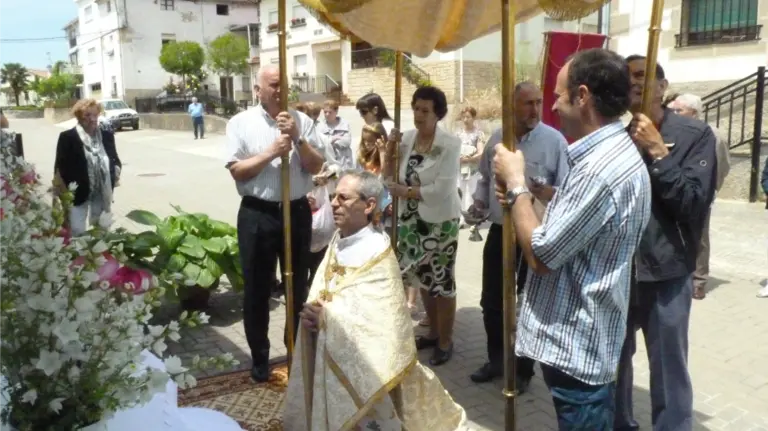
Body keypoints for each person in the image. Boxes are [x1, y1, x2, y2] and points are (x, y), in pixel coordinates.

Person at [492, 48, 652, 429]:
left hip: (579, 348)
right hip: (582, 342)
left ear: (583, 97)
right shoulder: (608, 154)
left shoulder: (600, 169)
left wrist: (516, 186)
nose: (553, 106)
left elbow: (542, 254)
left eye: (558, 96)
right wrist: (525, 199)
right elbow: (566, 232)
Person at [283, 170, 468, 431]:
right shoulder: (339, 239)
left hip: (366, 373)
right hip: (330, 351)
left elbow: (383, 323)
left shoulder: (377, 252)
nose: (334, 203)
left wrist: (328, 319)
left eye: (343, 198)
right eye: (334, 196)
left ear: (369, 205)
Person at [614, 55, 718, 431]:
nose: (636, 85)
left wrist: (660, 152)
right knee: (615, 364)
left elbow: (693, 203)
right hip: (621, 274)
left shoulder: (695, 136)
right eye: (628, 80)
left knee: (669, 369)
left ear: (662, 85)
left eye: (643, 76)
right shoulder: (616, 138)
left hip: (668, 272)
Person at [224, 64, 325, 383]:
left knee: (297, 284)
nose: (280, 90)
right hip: (257, 213)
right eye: (273, 84)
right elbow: (237, 171)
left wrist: (298, 140)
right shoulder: (240, 123)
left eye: (285, 84)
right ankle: (259, 357)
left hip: (295, 211)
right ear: (258, 90)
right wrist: (271, 152)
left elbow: (317, 165)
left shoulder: (303, 121)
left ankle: (294, 350)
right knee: (257, 288)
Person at [469, 81, 569, 392]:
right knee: (492, 301)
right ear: (511, 105)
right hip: (500, 231)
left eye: (539, 102)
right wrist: (479, 202)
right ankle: (497, 361)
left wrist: (545, 192)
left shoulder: (555, 141)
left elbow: (566, 192)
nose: (535, 110)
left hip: (534, 233)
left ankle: (524, 369)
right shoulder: (498, 140)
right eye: (527, 103)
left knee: (528, 304)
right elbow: (485, 178)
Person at [382, 86, 462, 366]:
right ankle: (434, 331)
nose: (418, 115)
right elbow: (387, 177)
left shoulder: (450, 144)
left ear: (438, 114)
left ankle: (446, 339)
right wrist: (391, 147)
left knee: (442, 280)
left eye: (425, 111)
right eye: (416, 108)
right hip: (411, 221)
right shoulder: (407, 139)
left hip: (440, 223)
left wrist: (406, 193)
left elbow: (442, 189)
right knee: (423, 278)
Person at [668, 93, 731, 299]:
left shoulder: (712, 134)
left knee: (700, 237)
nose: (674, 114)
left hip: (700, 194)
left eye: (679, 110)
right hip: (675, 191)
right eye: (673, 110)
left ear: (693, 113)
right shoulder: (672, 130)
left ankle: (699, 281)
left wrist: (710, 191)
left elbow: (722, 165)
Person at [54, 98, 122, 236]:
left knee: (101, 230)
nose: (92, 119)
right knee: (76, 230)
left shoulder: (107, 136)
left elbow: (115, 159)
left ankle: (98, 256)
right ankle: (78, 256)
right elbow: (59, 168)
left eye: (95, 115)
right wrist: (63, 195)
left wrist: (115, 172)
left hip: (102, 192)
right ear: (79, 117)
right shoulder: (68, 137)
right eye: (87, 115)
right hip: (77, 193)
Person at [456, 106, 485, 228]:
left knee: (472, 192)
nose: (465, 119)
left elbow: (481, 152)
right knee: (460, 191)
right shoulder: (458, 134)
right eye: (463, 117)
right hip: (460, 167)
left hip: (473, 168)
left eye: (468, 117)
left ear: (473, 118)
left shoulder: (478, 134)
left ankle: (473, 218)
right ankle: (461, 218)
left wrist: (470, 159)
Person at [318, 99, 354, 171]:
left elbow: (346, 142)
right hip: (329, 165)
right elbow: (320, 144)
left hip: (344, 163)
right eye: (325, 112)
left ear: (336, 111)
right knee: (331, 180)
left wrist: (328, 142)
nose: (327, 114)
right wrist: (333, 139)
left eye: (330, 112)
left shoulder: (344, 124)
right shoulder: (320, 126)